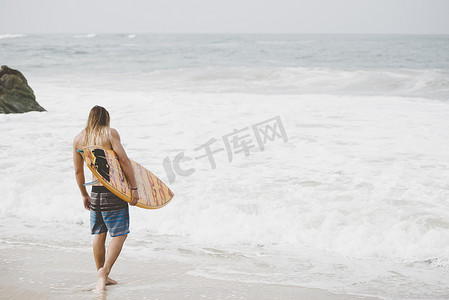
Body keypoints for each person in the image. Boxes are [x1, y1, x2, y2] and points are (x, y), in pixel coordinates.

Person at [73, 105, 139, 290]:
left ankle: (101, 275)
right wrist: (133, 188)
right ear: (106, 119)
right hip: (113, 192)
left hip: (95, 193)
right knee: (120, 234)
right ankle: (105, 271)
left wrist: (84, 194)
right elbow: (124, 161)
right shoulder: (110, 134)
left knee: (99, 234)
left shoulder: (78, 139)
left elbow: (78, 172)